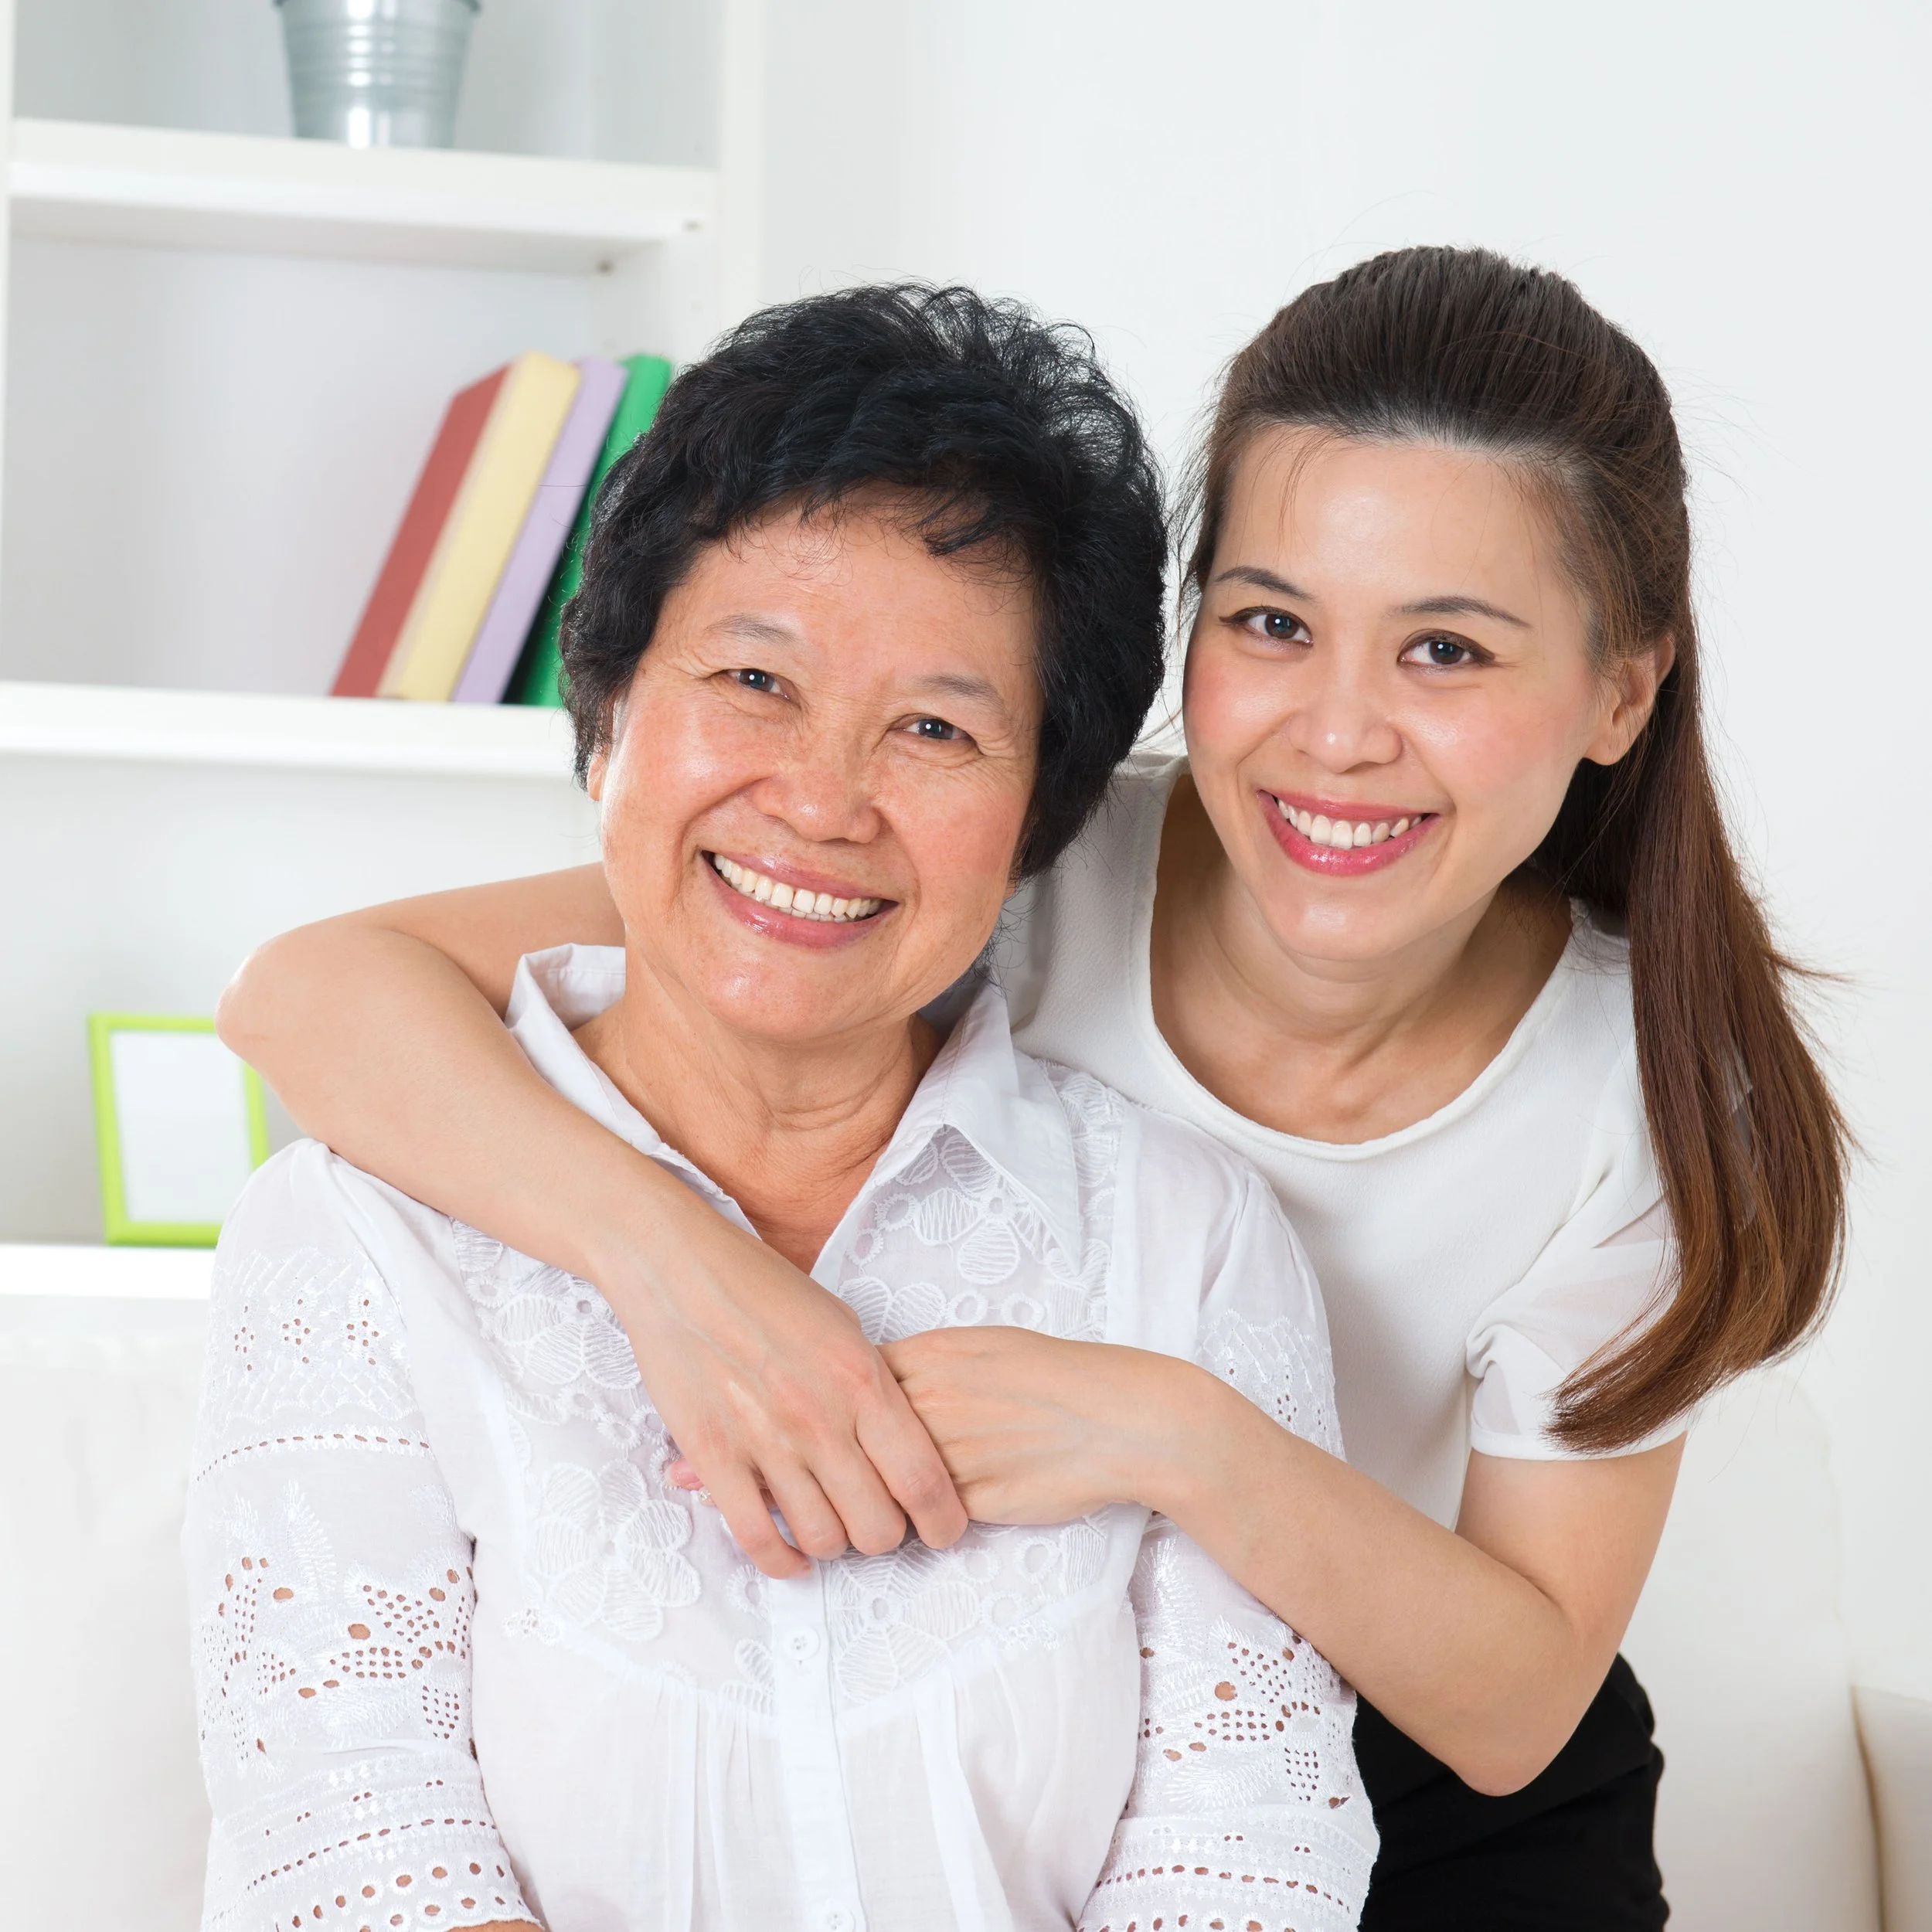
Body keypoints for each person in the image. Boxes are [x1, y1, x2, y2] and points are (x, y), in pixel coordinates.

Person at [220, 248, 1850, 1930]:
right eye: (1272, 623)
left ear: (1619, 689)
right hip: (1086, 1714)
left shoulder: (1643, 1093)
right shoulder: (994, 855)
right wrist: (684, 1272)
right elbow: (314, 991)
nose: (1338, 731)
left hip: (1435, 1773)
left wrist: (1166, 1429)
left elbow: (1514, 1711)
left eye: (1444, 649)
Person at [185, 285, 1377, 1932]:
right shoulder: (353, 1233)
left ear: (1037, 819)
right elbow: (351, 1841)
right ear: (607, 715)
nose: (821, 801)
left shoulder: (1184, 1238)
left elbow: (1248, 1848)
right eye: (754, 678)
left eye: (937, 728)